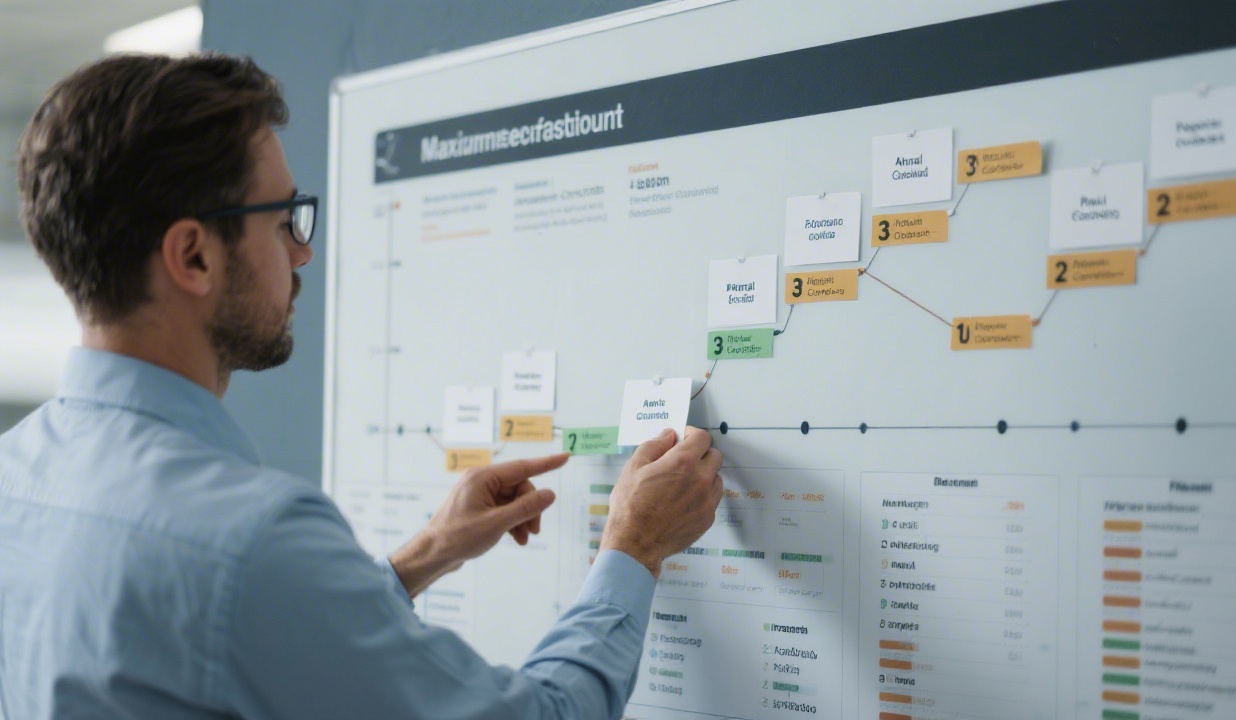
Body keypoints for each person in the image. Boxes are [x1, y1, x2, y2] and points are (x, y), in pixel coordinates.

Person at [0, 53, 723, 719]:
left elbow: (222, 643)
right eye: (283, 220)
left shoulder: (15, 475)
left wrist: (427, 553)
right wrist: (633, 547)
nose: (303, 250)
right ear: (193, 255)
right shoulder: (251, 540)